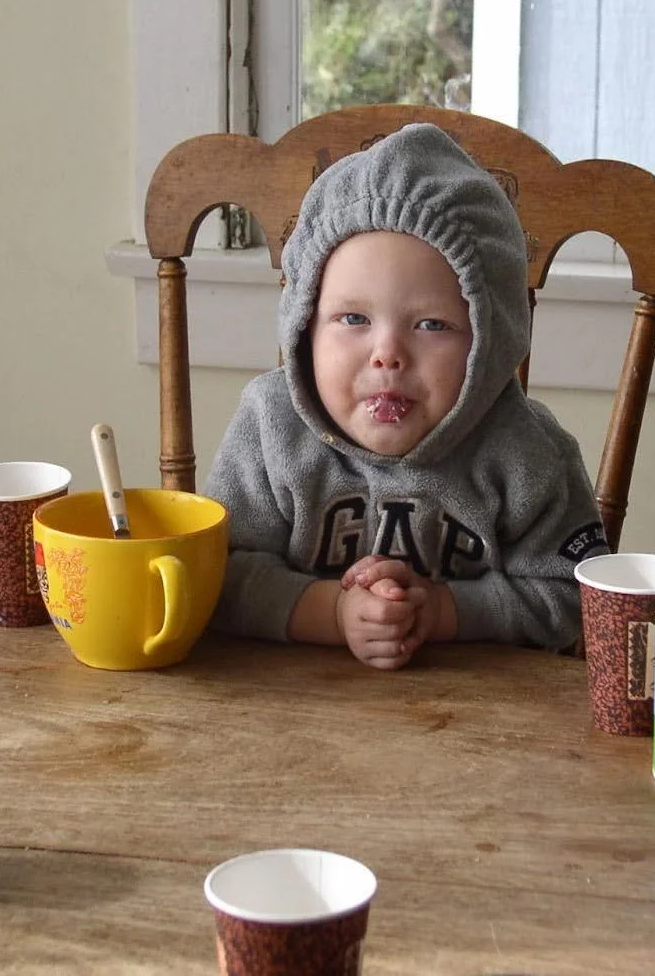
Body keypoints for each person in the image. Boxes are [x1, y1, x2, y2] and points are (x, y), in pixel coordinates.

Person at [204, 122, 609, 669]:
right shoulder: (271, 427)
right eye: (353, 318)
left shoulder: (527, 451)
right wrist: (332, 612)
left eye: (432, 325)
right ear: (304, 324)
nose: (387, 354)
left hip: (483, 723)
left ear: (489, 343)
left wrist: (441, 612)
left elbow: (573, 598)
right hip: (289, 715)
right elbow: (213, 573)